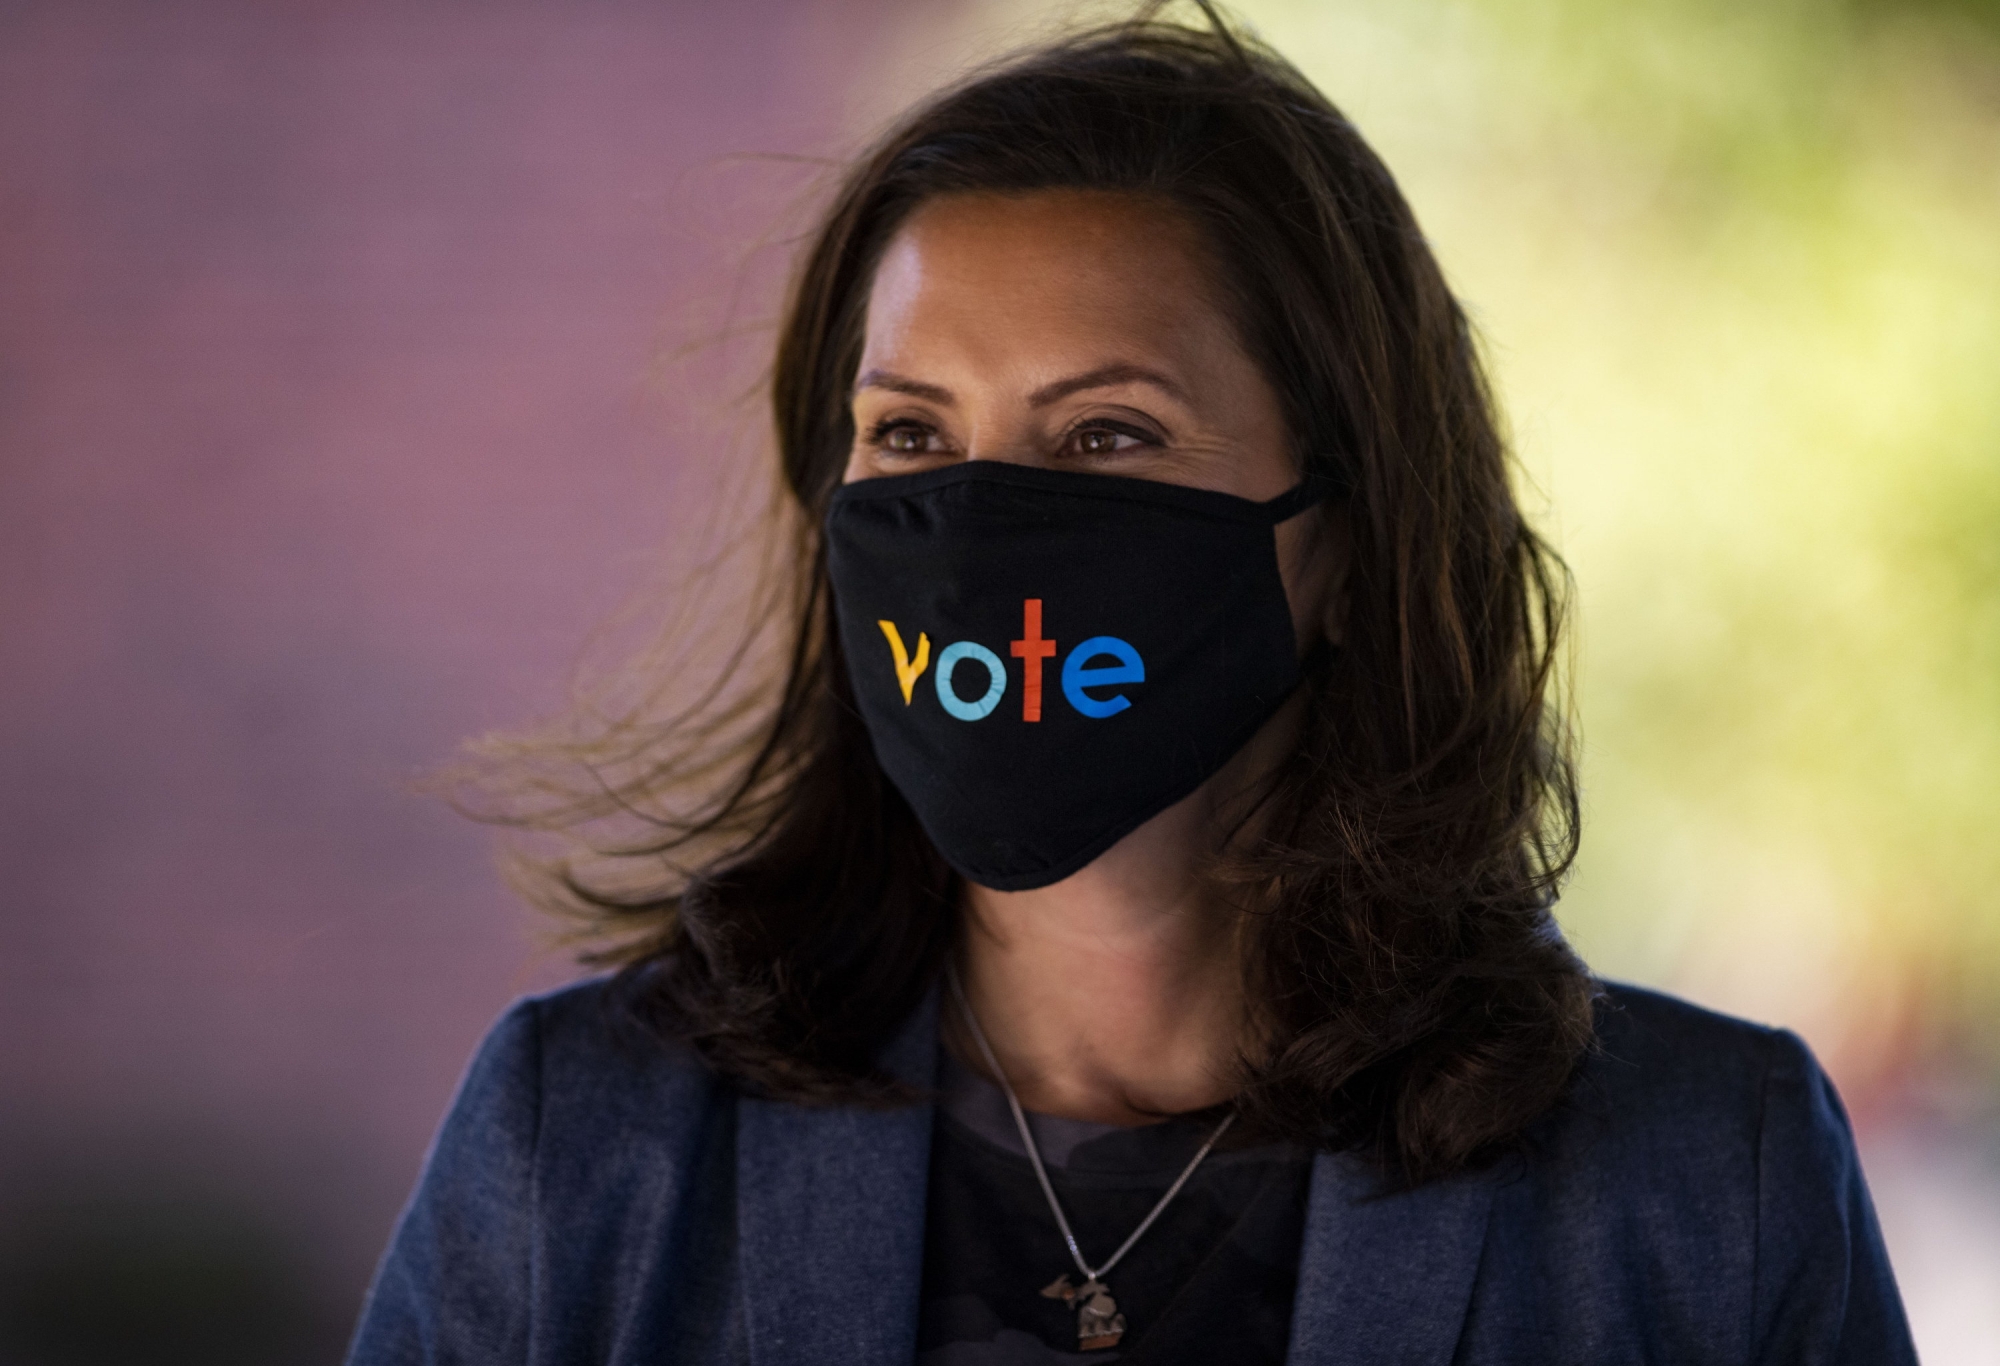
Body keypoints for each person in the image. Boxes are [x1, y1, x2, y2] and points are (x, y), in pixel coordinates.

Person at [345, 9, 1916, 1365]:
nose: (978, 527)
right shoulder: (586, 1145)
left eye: (1108, 435)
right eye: (908, 435)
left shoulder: (1710, 1175)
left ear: (1351, 539)